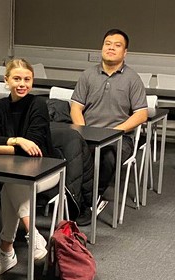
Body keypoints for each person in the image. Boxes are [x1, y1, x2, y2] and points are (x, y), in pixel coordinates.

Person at [0, 58, 60, 276]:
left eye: (27, 79)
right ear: (6, 80)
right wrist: (17, 141)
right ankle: (26, 239)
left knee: (12, 184)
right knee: (11, 183)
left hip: (46, 171)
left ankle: (8, 252)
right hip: (13, 174)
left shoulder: (38, 105)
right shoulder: (0, 106)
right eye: (17, 78)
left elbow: (35, 147)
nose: (22, 84)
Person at [70, 28, 148, 213]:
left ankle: (93, 199)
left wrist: (114, 132)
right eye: (108, 44)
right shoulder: (88, 75)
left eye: (117, 45)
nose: (111, 48)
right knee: (70, 151)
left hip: (119, 137)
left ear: (125, 52)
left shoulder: (133, 79)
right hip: (88, 132)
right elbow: (76, 107)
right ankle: (74, 198)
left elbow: (141, 114)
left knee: (108, 156)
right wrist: (83, 131)